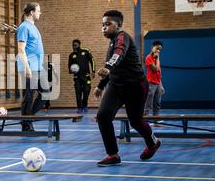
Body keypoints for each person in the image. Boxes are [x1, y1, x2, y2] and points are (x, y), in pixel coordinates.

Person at [94, 10, 161, 166]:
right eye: (102, 25)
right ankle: (113, 155)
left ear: (119, 25)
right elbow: (113, 71)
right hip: (116, 86)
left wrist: (108, 66)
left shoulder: (123, 38)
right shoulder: (111, 42)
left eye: (108, 24)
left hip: (135, 87)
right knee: (103, 116)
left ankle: (153, 143)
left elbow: (119, 53)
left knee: (136, 122)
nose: (104, 27)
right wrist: (100, 86)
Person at [16, 2, 48, 132]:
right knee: (29, 96)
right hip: (29, 66)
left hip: (38, 66)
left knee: (46, 93)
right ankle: (26, 124)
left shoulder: (33, 26)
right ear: (32, 12)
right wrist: (27, 68)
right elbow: (21, 49)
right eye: (38, 11)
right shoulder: (24, 27)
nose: (40, 13)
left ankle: (28, 118)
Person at [68, 39, 96, 113]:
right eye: (73, 45)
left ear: (79, 45)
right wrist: (71, 70)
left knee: (87, 91)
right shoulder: (71, 55)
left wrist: (93, 71)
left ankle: (85, 105)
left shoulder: (86, 51)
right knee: (78, 93)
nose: (74, 47)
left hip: (86, 76)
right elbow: (69, 67)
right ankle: (80, 108)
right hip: (77, 77)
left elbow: (92, 61)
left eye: (75, 45)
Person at [144, 41, 164, 116]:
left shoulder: (156, 59)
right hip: (151, 82)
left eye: (160, 50)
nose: (158, 51)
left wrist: (161, 84)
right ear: (152, 47)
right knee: (149, 102)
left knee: (157, 102)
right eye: (157, 48)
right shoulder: (148, 57)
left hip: (158, 82)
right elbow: (155, 69)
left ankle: (156, 120)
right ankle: (144, 119)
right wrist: (158, 58)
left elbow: (159, 73)